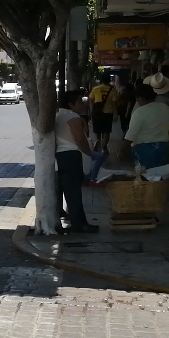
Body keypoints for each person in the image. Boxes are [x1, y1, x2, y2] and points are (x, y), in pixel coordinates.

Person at [56, 90, 98, 233]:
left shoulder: (58, 116)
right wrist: (91, 154)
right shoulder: (72, 117)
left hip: (59, 157)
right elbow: (80, 140)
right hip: (71, 156)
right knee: (74, 192)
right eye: (80, 101)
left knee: (64, 190)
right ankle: (79, 224)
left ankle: (73, 220)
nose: (83, 103)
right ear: (70, 104)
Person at [123, 84, 169, 169]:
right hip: (164, 147)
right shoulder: (165, 107)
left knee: (146, 177)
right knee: (162, 175)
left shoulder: (140, 112)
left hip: (145, 150)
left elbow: (131, 135)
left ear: (140, 98)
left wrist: (122, 149)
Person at [88, 74, 117, 151]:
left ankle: (98, 143)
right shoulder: (113, 90)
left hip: (97, 113)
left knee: (97, 131)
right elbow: (114, 104)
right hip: (108, 113)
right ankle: (104, 146)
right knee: (106, 131)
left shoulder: (96, 89)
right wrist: (115, 114)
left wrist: (92, 110)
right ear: (109, 80)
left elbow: (91, 100)